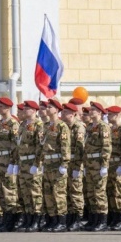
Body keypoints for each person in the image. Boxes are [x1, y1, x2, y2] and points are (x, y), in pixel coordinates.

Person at [40, 99, 72, 232]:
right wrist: (41, 162)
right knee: (48, 194)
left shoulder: (62, 126)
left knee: (59, 193)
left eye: (50, 107)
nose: (47, 109)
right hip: (47, 164)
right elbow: (42, 146)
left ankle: (62, 222)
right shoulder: (46, 126)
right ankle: (53, 220)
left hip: (57, 164)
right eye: (47, 107)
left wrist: (64, 164)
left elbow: (65, 146)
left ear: (56, 110)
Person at [81, 101, 112, 232]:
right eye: (90, 109)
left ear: (99, 112)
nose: (90, 111)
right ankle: (94, 219)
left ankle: (102, 220)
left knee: (99, 192)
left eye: (93, 110)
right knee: (90, 193)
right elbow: (86, 146)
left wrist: (104, 165)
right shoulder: (89, 127)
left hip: (98, 163)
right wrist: (85, 164)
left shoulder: (103, 127)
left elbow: (106, 147)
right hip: (89, 163)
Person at [0, 97, 20, 232]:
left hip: (7, 161)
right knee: (0, 191)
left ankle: (11, 220)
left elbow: (15, 145)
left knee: (9, 191)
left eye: (1, 107)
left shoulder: (13, 124)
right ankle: (5, 218)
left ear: (8, 108)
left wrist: (13, 163)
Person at [16, 101, 44, 232]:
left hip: (32, 162)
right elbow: (19, 146)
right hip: (23, 163)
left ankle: (37, 220)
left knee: (35, 192)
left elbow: (40, 146)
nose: (24, 110)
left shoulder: (39, 125)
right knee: (25, 192)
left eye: (27, 108)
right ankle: (28, 218)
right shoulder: (22, 125)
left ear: (33, 110)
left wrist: (37, 164)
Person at [62, 100, 86, 231]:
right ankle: (70, 217)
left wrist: (77, 167)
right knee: (67, 191)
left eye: (65, 112)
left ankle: (77, 219)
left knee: (76, 191)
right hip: (66, 163)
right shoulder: (64, 126)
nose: (62, 114)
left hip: (75, 163)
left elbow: (80, 149)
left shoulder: (78, 127)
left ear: (73, 114)